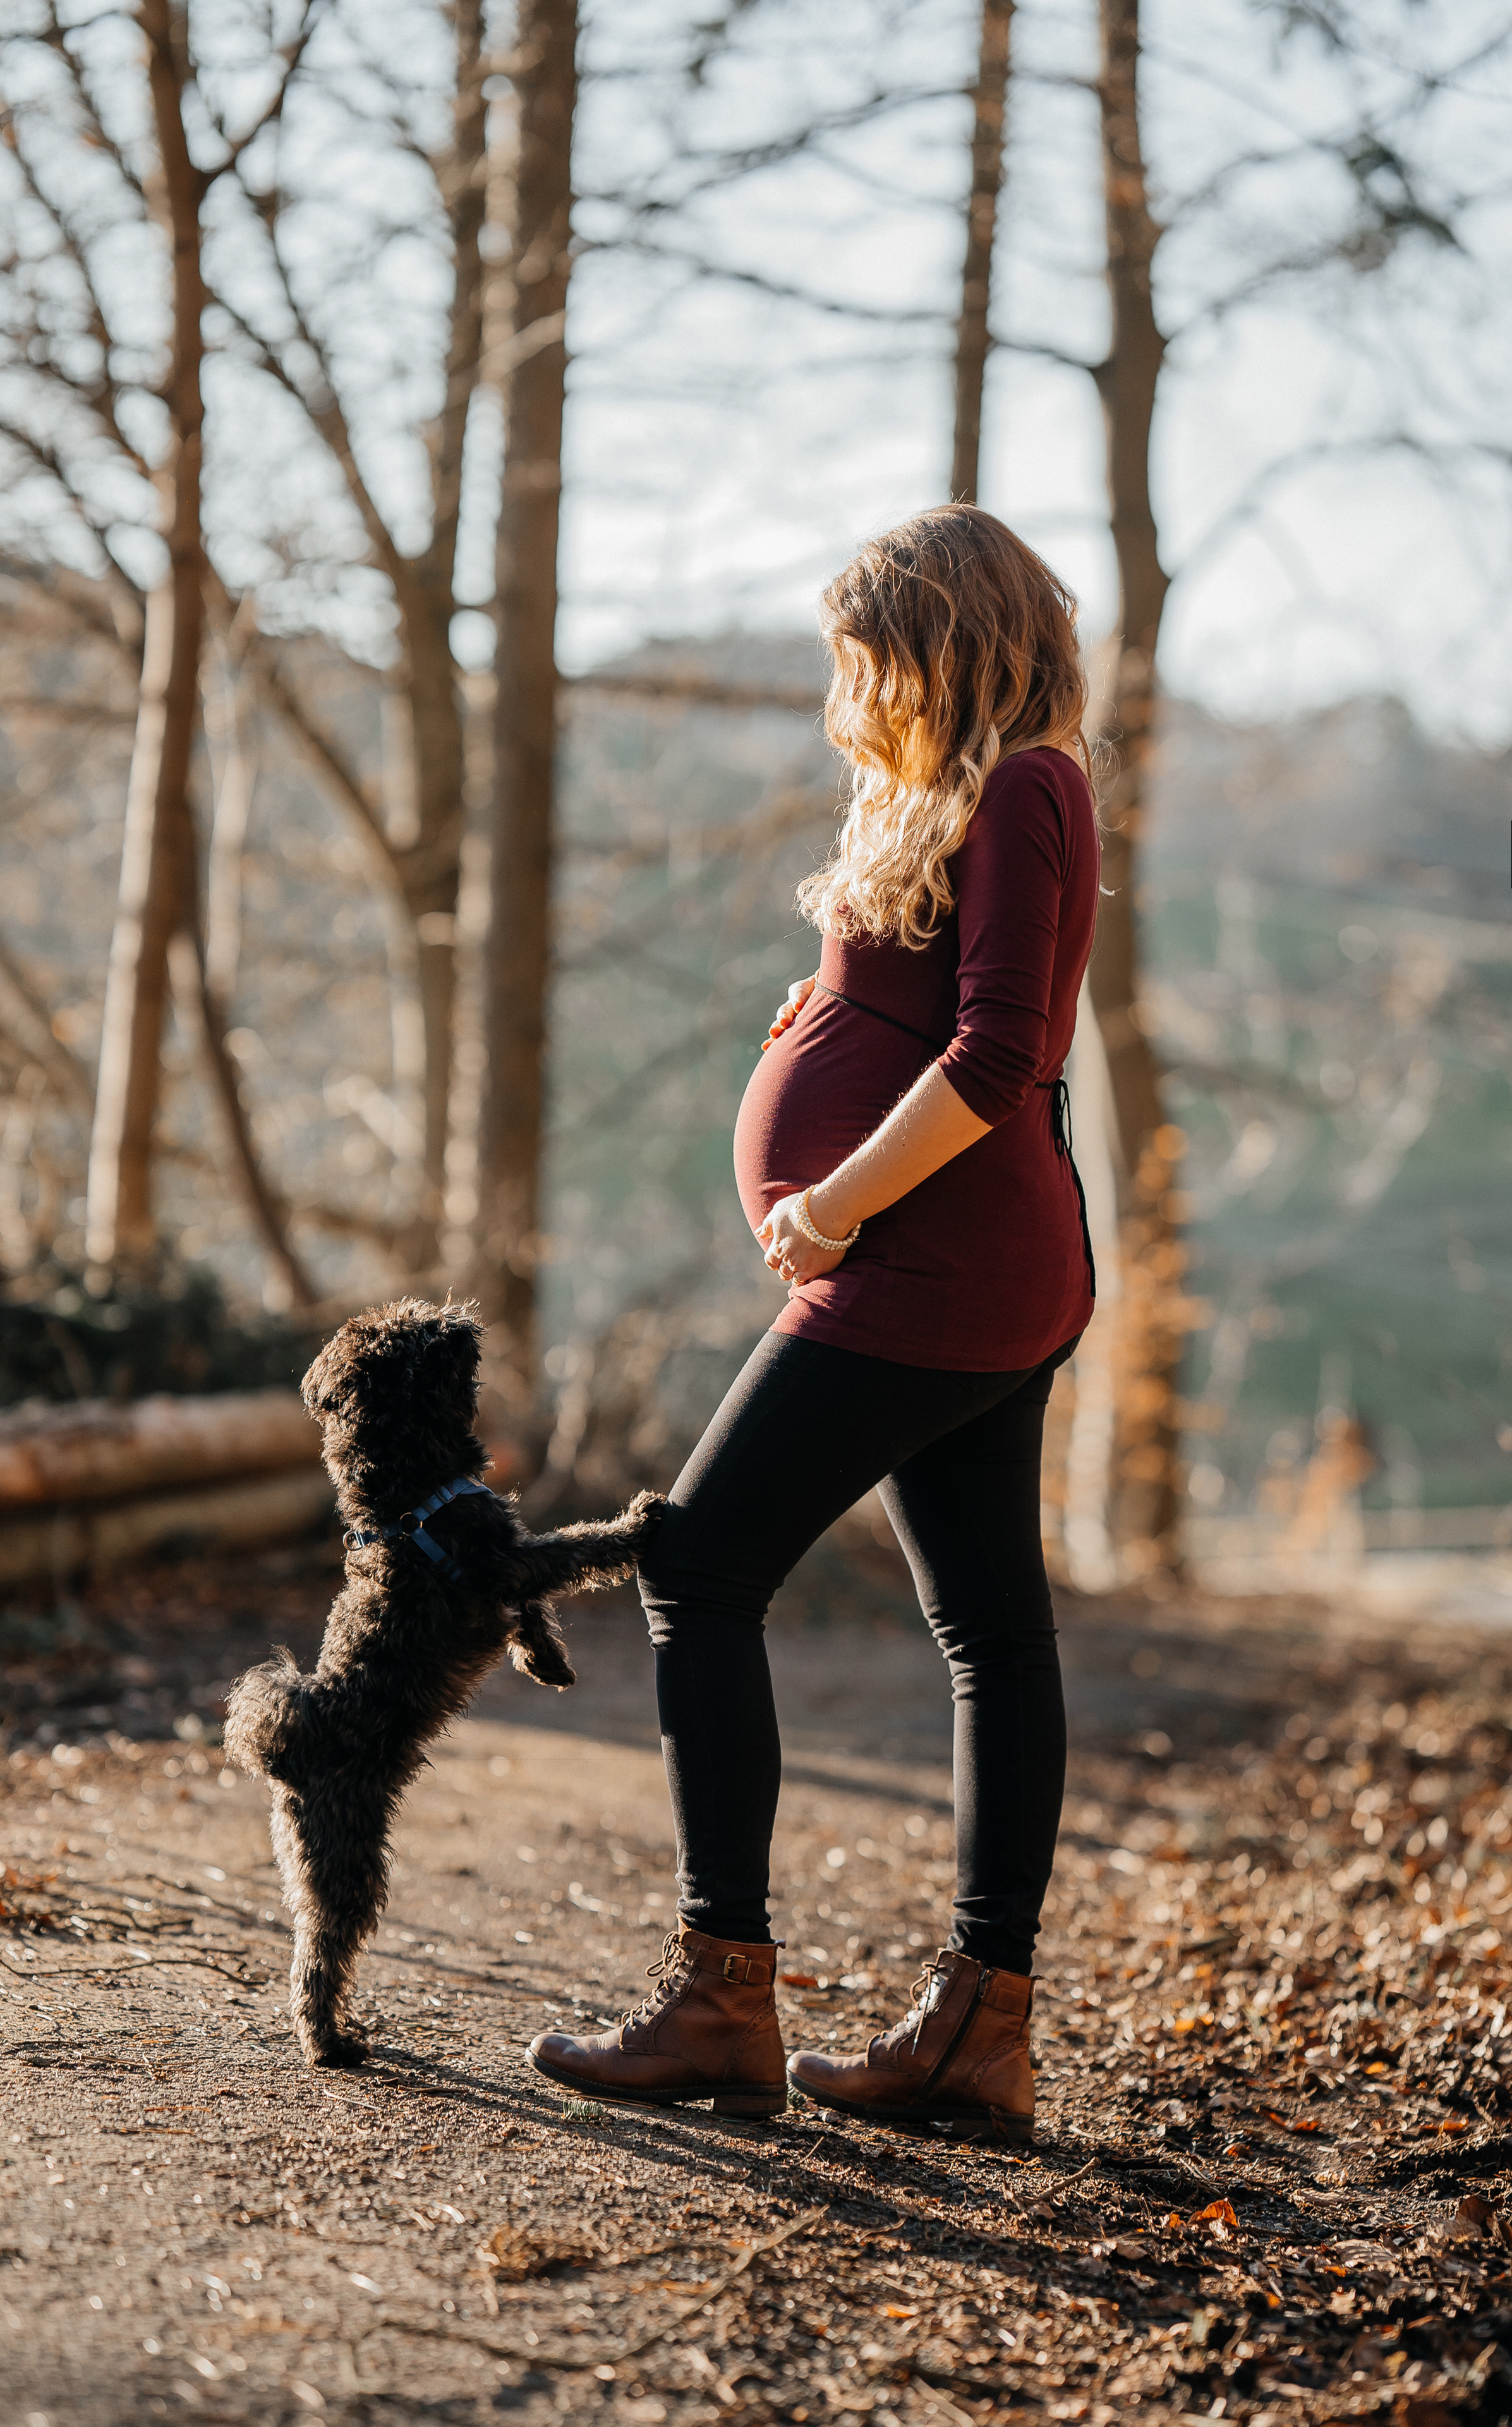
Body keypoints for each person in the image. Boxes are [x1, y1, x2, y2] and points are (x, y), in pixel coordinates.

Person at [529, 504, 1099, 2137]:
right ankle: (976, 2038)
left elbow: (999, 1059)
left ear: (945, 642)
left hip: (934, 1271)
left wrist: (834, 1201)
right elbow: (935, 1002)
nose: (852, 686)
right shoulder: (954, 798)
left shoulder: (1028, 787)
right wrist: (832, 1002)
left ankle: (726, 2002)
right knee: (988, 1626)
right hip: (955, 1270)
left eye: (870, 655)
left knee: (699, 1565)